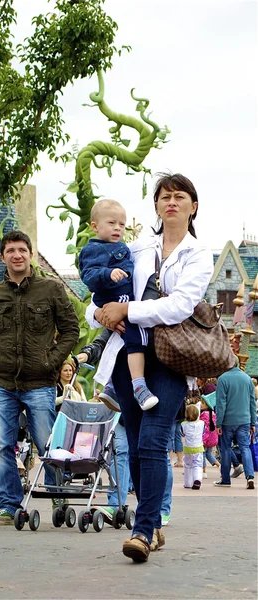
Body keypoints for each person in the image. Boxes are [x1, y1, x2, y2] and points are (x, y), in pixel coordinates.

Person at [85, 172, 214, 562]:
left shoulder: (199, 253)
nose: (171, 202)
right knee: (139, 448)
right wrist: (101, 314)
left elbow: (179, 305)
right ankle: (153, 523)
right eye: (164, 197)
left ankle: (141, 531)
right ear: (156, 206)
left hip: (171, 359)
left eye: (179, 196)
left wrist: (128, 310)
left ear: (193, 206)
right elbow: (100, 294)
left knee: (154, 440)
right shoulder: (134, 248)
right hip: (129, 356)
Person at [0, 229, 79, 524]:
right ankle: (9, 506)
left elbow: (71, 331)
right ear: (3, 257)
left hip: (39, 383)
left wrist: (50, 361)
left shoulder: (51, 289)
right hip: (1, 382)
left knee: (46, 444)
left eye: (22, 250)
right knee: (2, 446)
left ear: (30, 254)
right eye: (11, 250)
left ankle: (57, 495)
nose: (17, 255)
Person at [77, 329, 173, 531]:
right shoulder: (122, 303)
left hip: (163, 368)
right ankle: (117, 504)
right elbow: (107, 328)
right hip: (124, 383)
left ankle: (156, 515)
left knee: (154, 448)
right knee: (124, 451)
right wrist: (89, 351)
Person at [79, 199, 158, 411]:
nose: (118, 228)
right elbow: (87, 276)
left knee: (121, 336)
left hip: (123, 298)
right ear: (95, 226)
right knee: (136, 335)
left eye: (122, 225)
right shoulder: (92, 250)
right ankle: (139, 386)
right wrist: (108, 274)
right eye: (112, 223)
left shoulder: (123, 247)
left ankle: (112, 386)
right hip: (115, 298)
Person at [213, 357, 256, 489]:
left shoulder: (222, 379)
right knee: (245, 447)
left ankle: (226, 479)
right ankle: (250, 476)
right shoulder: (247, 379)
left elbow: (221, 403)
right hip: (244, 419)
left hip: (227, 420)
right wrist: (253, 422)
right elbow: (252, 403)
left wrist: (218, 423)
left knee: (226, 448)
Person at [181, 404, 204, 490]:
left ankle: (187, 483)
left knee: (187, 465)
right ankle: (197, 479)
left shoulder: (183, 424)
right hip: (198, 447)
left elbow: (182, 434)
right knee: (197, 465)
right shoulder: (202, 423)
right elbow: (203, 432)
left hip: (187, 448)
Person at [199, 392, 220, 478]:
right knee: (209, 454)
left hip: (206, 439)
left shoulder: (204, 415)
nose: (200, 404)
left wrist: (203, 439)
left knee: (203, 453)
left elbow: (204, 429)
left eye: (202, 403)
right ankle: (219, 465)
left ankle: (203, 470)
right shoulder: (213, 415)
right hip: (212, 438)